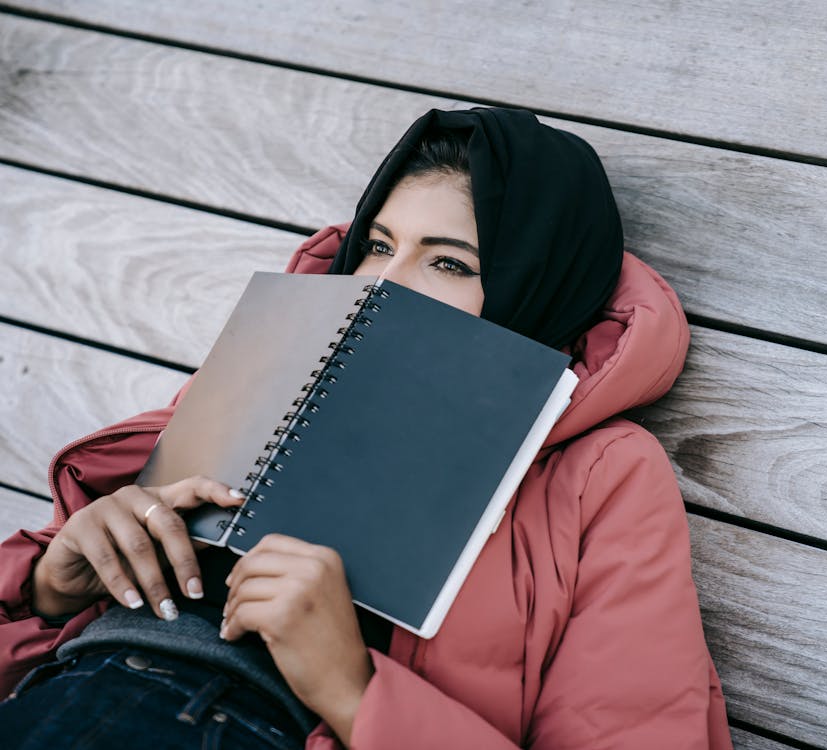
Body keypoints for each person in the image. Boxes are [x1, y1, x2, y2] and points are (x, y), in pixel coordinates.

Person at [0, 108, 733, 748]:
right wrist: (46, 591)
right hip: (58, 692)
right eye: (378, 246)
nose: (381, 285)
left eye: (447, 261)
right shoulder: (275, 369)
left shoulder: (601, 473)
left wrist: (352, 689)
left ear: (536, 287)